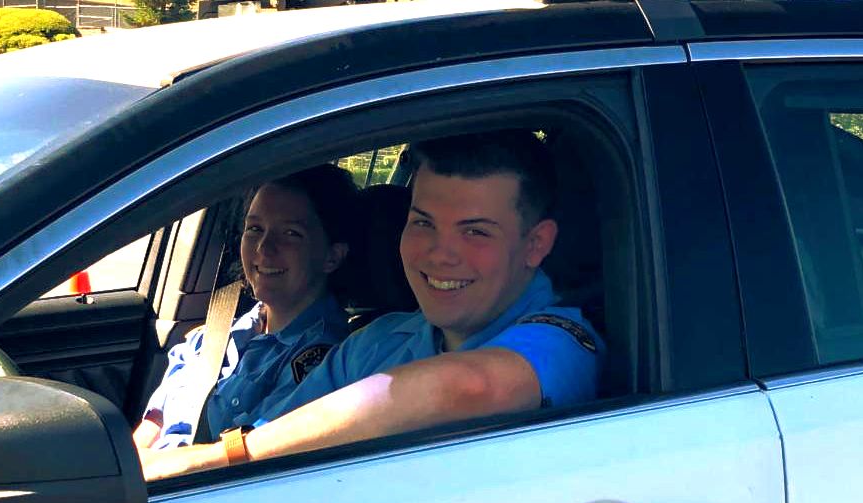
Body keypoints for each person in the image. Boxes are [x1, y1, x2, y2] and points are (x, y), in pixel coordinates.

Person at [139, 130, 604, 480]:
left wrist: (216, 458)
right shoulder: (378, 342)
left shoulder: (563, 340)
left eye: (475, 231)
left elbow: (469, 387)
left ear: (536, 244)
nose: (440, 254)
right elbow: (276, 429)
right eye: (423, 223)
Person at [132, 164, 357, 450]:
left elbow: (244, 462)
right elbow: (154, 423)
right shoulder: (215, 332)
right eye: (254, 229)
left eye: (290, 233)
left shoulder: (326, 364)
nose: (264, 247)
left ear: (331, 257)